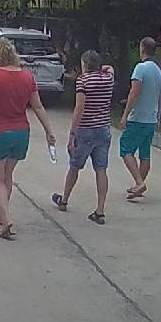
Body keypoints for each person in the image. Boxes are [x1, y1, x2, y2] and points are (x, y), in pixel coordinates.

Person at [0, 38, 57, 240]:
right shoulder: (27, 77)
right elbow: (38, 106)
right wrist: (48, 131)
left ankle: (6, 220)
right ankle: (0, 214)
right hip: (20, 133)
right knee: (7, 175)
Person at [52, 50, 115, 225]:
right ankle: (100, 210)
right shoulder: (108, 79)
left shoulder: (83, 80)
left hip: (85, 129)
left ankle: (64, 200)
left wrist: (72, 132)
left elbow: (79, 107)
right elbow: (110, 68)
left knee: (74, 166)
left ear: (85, 64)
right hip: (103, 128)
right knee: (101, 169)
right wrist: (101, 68)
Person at [120, 37, 161, 199]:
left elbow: (134, 92)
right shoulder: (158, 71)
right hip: (151, 119)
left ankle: (139, 182)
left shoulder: (140, 68)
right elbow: (160, 96)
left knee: (126, 149)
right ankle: (138, 184)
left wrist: (125, 115)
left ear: (142, 49)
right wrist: (158, 116)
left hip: (138, 118)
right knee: (145, 153)